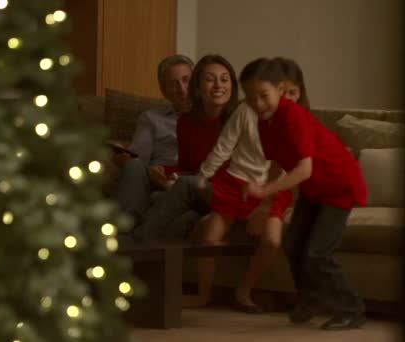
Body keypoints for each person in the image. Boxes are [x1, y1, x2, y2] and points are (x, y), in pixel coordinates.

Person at [240, 57, 368, 330]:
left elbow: (304, 169)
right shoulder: (265, 122)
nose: (257, 104)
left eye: (263, 95)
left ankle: (352, 309)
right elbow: (277, 163)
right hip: (315, 189)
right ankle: (312, 300)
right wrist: (265, 203)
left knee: (317, 253)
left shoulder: (293, 114)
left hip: (338, 185)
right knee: (294, 245)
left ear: (282, 89)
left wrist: (264, 190)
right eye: (250, 97)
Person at [182, 58, 309, 312]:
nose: (287, 98)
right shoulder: (246, 110)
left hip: (271, 188)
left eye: (293, 93)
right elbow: (223, 147)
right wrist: (202, 177)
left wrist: (265, 204)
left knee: (272, 241)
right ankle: (203, 294)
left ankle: (244, 291)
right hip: (235, 183)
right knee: (209, 236)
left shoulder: (297, 120)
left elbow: (285, 168)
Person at [132, 54, 239, 241]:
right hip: (202, 192)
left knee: (184, 185)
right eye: (209, 80)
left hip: (234, 193)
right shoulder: (186, 122)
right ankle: (156, 268)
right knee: (184, 220)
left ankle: (135, 243)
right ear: (197, 87)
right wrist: (165, 171)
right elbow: (186, 167)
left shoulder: (242, 120)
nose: (218, 86)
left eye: (224, 79)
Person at [113, 54, 193, 224]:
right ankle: (124, 229)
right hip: (157, 177)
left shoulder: (212, 116)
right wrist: (126, 158)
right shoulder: (151, 118)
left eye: (187, 80)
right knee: (133, 165)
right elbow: (138, 156)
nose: (182, 89)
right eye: (174, 84)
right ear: (163, 91)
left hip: (191, 177)